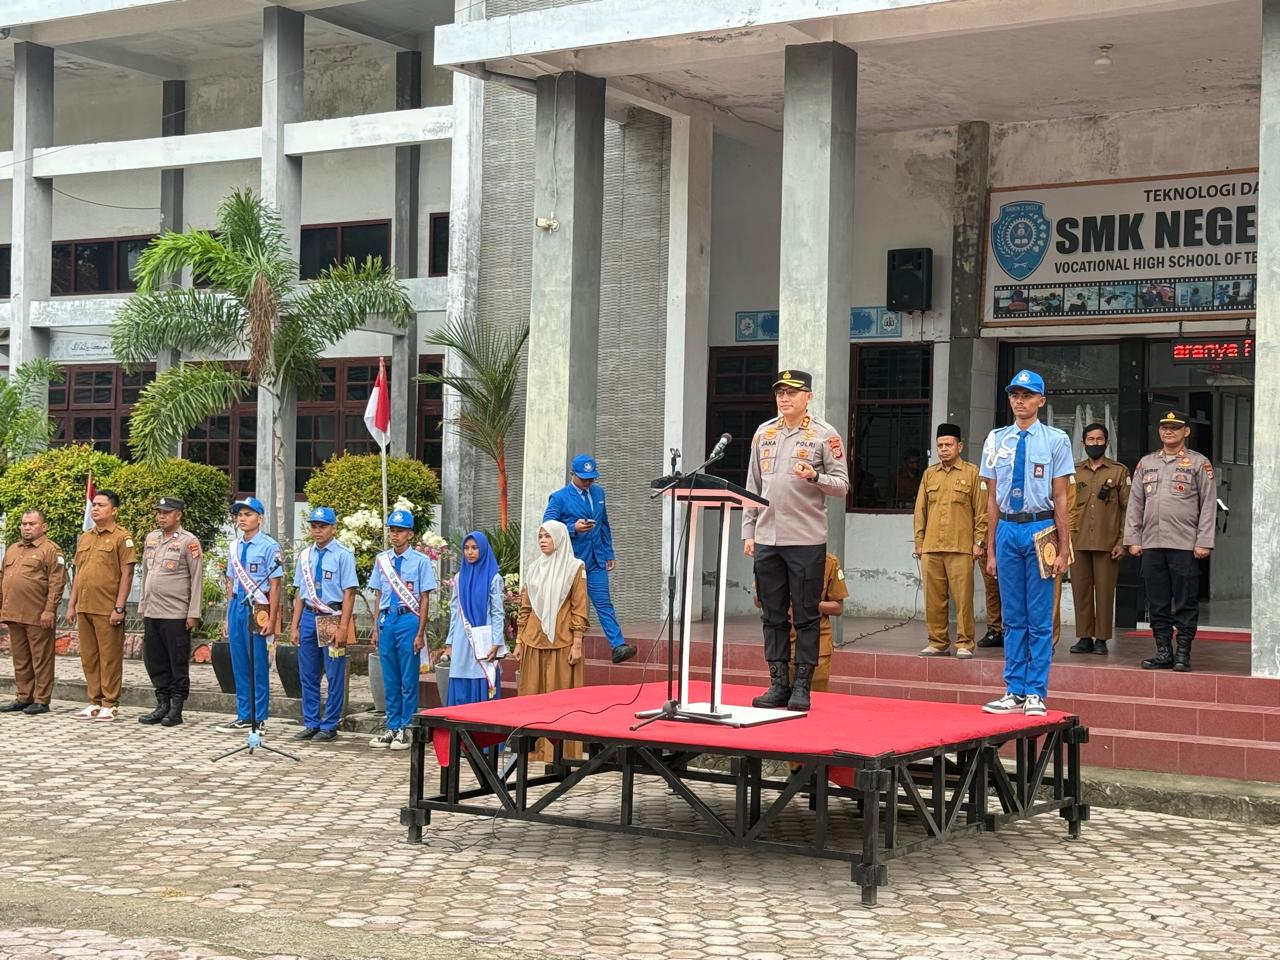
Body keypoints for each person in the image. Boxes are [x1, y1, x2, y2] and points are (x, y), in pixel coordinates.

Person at [743, 369, 850, 712]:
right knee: (772, 615)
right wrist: (748, 532)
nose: (784, 398)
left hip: (805, 539)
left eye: (792, 392)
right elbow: (752, 488)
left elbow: (842, 485)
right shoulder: (764, 433)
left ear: (809, 396)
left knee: (805, 616)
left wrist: (816, 475)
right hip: (767, 538)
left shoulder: (824, 435)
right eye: (780, 392)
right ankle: (778, 683)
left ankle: (802, 685)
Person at [979, 370, 1073, 717]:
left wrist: (1064, 548)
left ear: (1041, 401)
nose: (1020, 401)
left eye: (1027, 395)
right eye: (1015, 395)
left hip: (1040, 527)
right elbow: (991, 499)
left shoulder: (1056, 439)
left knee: (1039, 615)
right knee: (1013, 616)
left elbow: (1061, 497)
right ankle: (1014, 689)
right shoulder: (996, 439)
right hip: (1007, 528)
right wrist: (989, 548)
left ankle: (1036, 691)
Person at [1124, 410, 1216, 672]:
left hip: (1185, 544)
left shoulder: (1199, 463)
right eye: (1165, 428)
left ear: (1186, 431)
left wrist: (1204, 541)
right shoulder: (1147, 463)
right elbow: (1136, 504)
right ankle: (1163, 650)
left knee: (1185, 600)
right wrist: (1133, 538)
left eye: (1175, 428)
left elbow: (1208, 505)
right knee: (1157, 600)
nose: (1169, 432)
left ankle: (1183, 652)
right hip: (1152, 542)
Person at [543, 454, 637, 664]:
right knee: (571, 606)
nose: (588, 482)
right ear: (572, 475)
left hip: (596, 560)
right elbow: (547, 528)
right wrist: (572, 528)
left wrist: (609, 552)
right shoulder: (559, 498)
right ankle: (563, 645)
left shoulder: (599, 493)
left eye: (591, 478)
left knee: (604, 602)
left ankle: (618, 646)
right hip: (571, 562)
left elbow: (604, 524)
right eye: (584, 478)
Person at [516, 520, 589, 762]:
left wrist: (577, 641)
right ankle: (534, 750)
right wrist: (518, 640)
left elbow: (580, 608)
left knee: (561, 699)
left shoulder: (574, 568)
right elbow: (525, 607)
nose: (543, 541)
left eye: (548, 536)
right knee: (532, 698)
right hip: (533, 640)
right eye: (540, 536)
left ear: (559, 538)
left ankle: (563, 753)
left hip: (562, 641)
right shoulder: (534, 568)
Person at [913, 424, 987, 659]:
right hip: (932, 546)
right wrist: (919, 542)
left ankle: (965, 642)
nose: (944, 449)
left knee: (963, 599)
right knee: (933, 598)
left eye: (948, 444)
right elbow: (920, 511)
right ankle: (937, 641)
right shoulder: (929, 474)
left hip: (961, 546)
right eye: (940, 445)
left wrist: (979, 541)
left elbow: (982, 511)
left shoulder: (972, 473)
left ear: (960, 446)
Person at [66, 489, 137, 722]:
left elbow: (127, 574)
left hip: (107, 608)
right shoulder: (86, 537)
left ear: (114, 510)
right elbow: (79, 573)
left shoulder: (121, 537)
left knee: (110, 657)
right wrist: (71, 604)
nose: (95, 508)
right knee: (89, 656)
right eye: (94, 505)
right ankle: (94, 701)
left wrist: (119, 607)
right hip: (84, 606)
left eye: (101, 505)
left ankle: (110, 703)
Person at [288, 507, 358, 743]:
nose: (317, 531)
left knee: (334, 673)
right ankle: (311, 722)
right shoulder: (305, 555)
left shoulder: (343, 555)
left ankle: (330, 724)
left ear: (333, 528)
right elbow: (300, 592)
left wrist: (343, 627)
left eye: (323, 526)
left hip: (331, 615)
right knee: (307, 674)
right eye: (314, 526)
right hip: (308, 615)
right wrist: (294, 625)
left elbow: (349, 594)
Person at [368, 509, 435, 750]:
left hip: (408, 620)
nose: (395, 535)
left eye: (400, 531)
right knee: (390, 678)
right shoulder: (382, 559)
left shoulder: (420, 561)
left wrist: (420, 632)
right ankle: (392, 726)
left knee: (408, 678)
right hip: (387, 620)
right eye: (392, 530)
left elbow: (425, 598)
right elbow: (378, 594)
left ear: (410, 533)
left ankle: (405, 728)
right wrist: (375, 627)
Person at [217, 497, 283, 735]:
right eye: (239, 515)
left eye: (248, 514)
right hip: (237, 606)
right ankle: (244, 715)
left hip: (259, 607)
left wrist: (273, 619)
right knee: (240, 663)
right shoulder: (234, 546)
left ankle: (259, 717)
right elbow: (231, 581)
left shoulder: (269, 546)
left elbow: (275, 586)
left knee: (257, 663)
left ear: (260, 518)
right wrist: (227, 615)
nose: (242, 519)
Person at [136, 497, 204, 727]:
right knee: (154, 660)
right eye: (159, 513)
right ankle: (161, 703)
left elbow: (196, 579)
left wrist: (193, 612)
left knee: (177, 662)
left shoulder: (189, 542)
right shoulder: (151, 538)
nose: (161, 516)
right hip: (153, 611)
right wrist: (142, 604)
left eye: (166, 512)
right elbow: (146, 573)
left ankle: (176, 708)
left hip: (176, 613)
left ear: (178, 515)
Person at [1068, 425, 1131, 656]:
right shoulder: (1073, 472)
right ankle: (1084, 637)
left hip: (1107, 543)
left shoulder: (1119, 471)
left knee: (1104, 593)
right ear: (1083, 443)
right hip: (1078, 541)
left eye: (1099, 439)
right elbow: (1064, 507)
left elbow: (1128, 509)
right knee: (1080, 591)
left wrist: (1122, 541)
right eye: (1091, 439)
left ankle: (1102, 639)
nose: (1095, 443)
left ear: (1106, 442)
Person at [0, 510, 67, 717]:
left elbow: (57, 582)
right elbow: (3, 577)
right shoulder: (12, 549)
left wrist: (49, 610)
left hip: (38, 615)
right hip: (13, 613)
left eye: (32, 524)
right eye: (24, 524)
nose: (27, 527)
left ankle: (41, 699)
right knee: (20, 659)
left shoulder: (51, 550)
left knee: (41, 659)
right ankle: (23, 696)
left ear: (43, 527)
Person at [752, 552, 849, 691]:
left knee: (815, 699)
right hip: (783, 646)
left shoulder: (828, 561)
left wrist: (810, 603)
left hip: (816, 647)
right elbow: (758, 602)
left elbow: (838, 608)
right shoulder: (774, 560)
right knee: (782, 700)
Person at [442, 530, 507, 707]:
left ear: (483, 550)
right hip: (463, 639)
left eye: (475, 548)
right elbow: (455, 612)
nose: (470, 552)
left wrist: (496, 642)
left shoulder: (494, 578)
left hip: (484, 639)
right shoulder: (458, 578)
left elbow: (498, 612)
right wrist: (450, 643)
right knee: (460, 675)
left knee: (482, 678)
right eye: (466, 548)